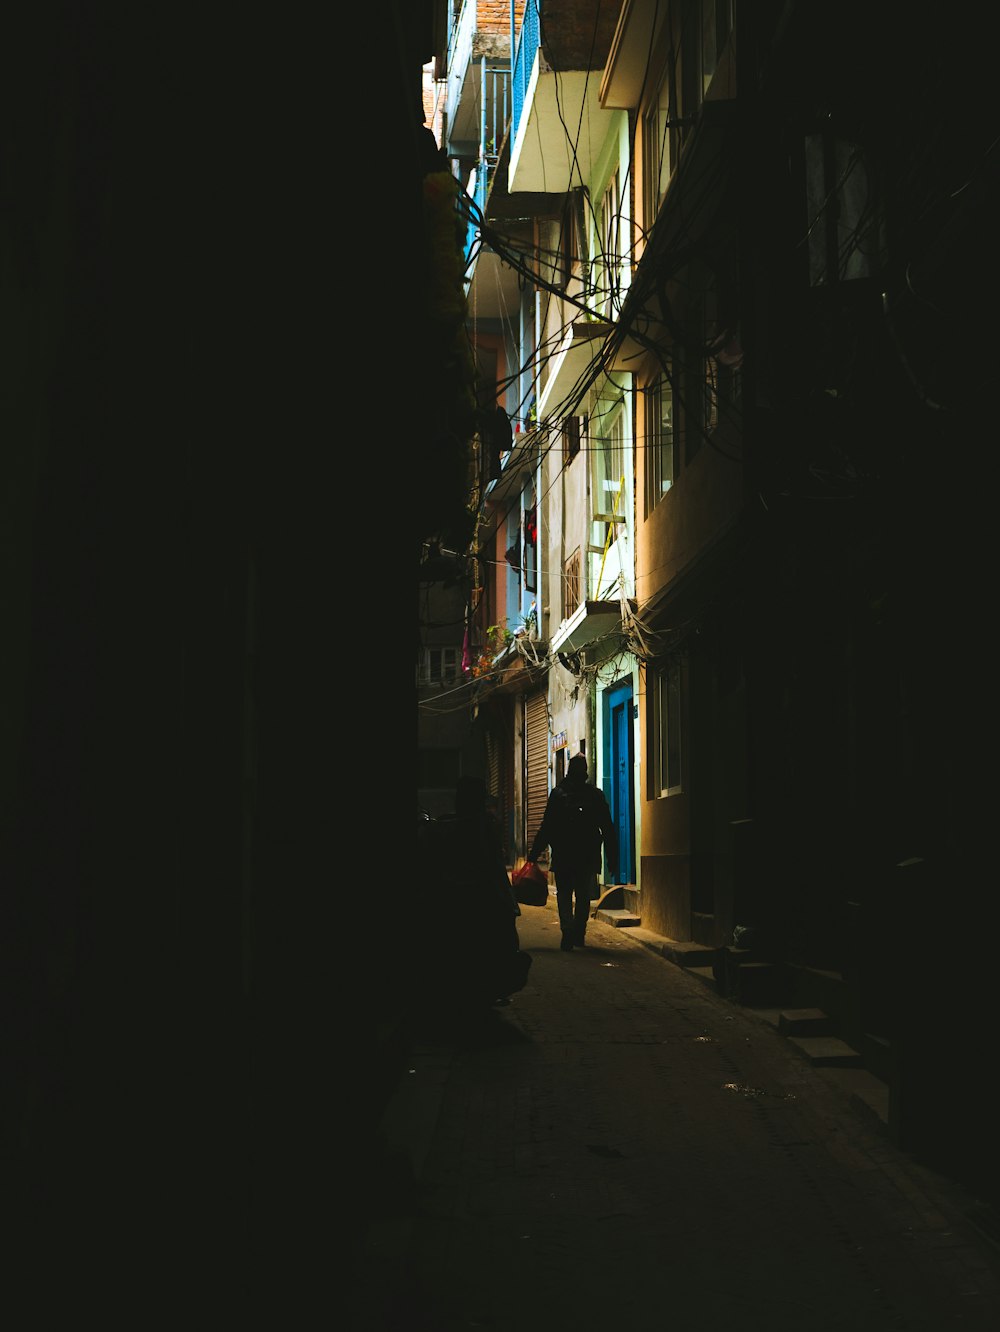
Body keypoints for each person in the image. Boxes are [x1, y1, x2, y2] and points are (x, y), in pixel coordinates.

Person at [430, 776, 530, 1008]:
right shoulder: (483, 825)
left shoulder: (452, 827)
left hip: (464, 896)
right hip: (479, 896)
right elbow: (493, 865)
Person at [529, 754, 619, 951]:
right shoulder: (595, 795)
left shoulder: (558, 794)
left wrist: (534, 854)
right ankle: (579, 931)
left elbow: (547, 827)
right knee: (583, 893)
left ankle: (567, 929)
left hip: (563, 853)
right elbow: (608, 827)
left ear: (569, 770)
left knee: (564, 893)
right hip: (587, 854)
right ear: (585, 771)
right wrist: (613, 857)